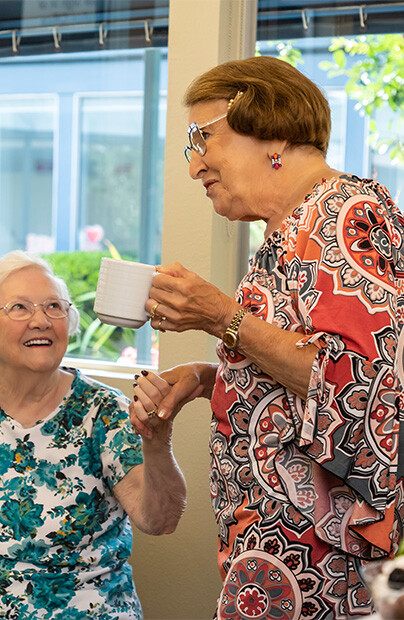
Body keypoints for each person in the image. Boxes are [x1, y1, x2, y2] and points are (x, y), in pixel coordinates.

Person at [130, 55, 404, 619]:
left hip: (321, 559)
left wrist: (221, 317)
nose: (194, 165)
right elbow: (298, 372)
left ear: (272, 131)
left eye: (202, 138)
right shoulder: (291, 229)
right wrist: (213, 379)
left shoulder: (344, 214)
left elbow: (370, 390)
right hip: (274, 548)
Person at [0, 250, 186, 620]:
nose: (41, 320)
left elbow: (160, 519)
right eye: (19, 308)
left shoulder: (104, 411)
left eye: (55, 307)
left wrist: (156, 440)